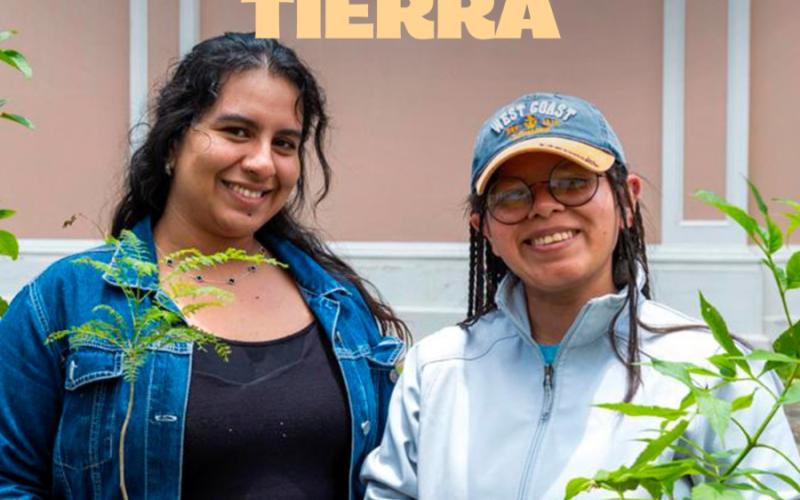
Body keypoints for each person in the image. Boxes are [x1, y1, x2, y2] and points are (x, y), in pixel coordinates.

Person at [0, 33, 407, 500]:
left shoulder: (340, 306)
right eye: (237, 131)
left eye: (285, 143)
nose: (261, 162)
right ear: (173, 143)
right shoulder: (66, 301)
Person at [360, 92, 800, 499]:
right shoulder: (436, 371)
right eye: (512, 194)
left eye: (572, 182)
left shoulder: (715, 374)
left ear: (627, 201)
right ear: (484, 229)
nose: (545, 206)